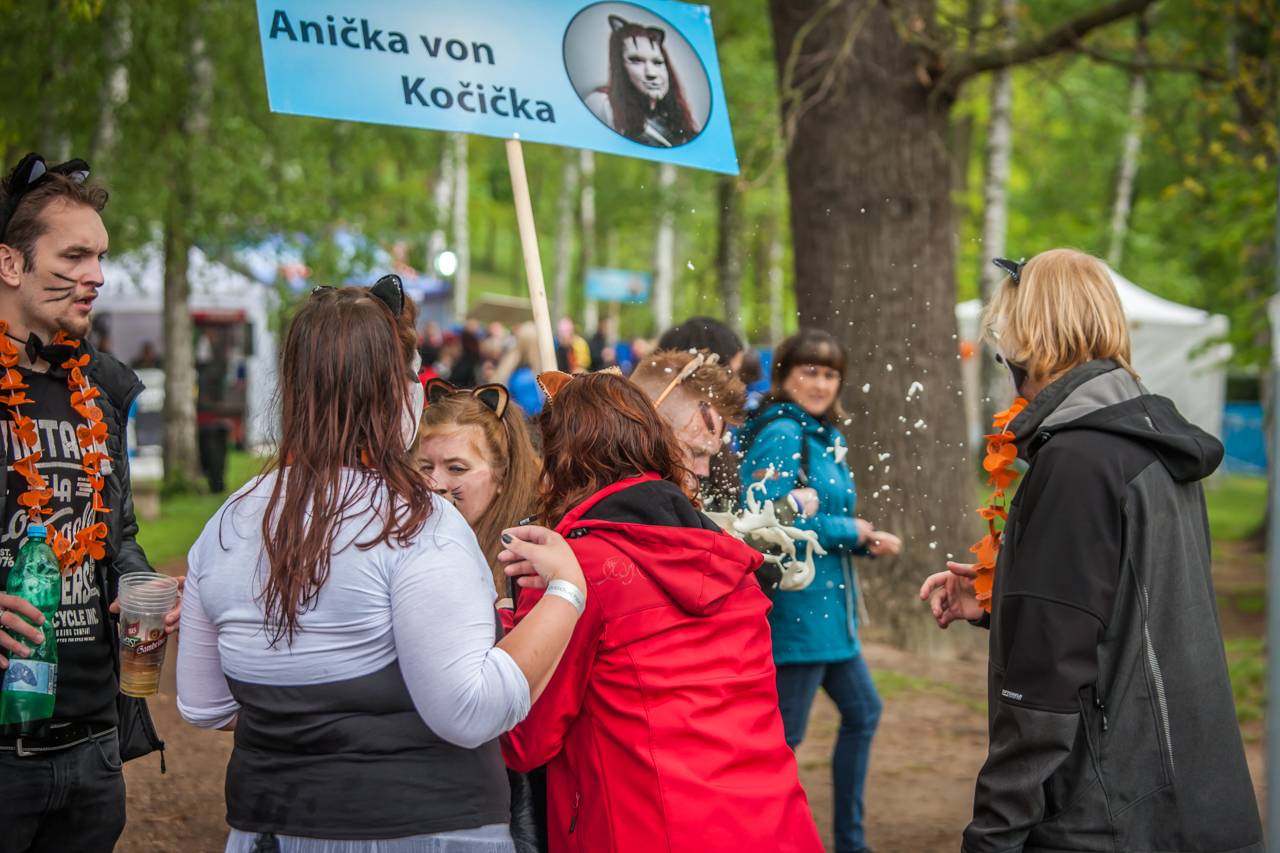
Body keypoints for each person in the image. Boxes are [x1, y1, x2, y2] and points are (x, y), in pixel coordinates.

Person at [176, 285, 588, 852]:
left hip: (269, 827)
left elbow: (205, 704)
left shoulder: (228, 523)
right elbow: (471, 711)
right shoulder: (419, 523)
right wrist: (567, 591)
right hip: (421, 830)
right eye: (413, 376)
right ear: (395, 392)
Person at [919, 250, 1263, 853]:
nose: (1006, 360)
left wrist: (993, 835)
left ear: (1031, 340)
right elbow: (1129, 603)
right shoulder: (1149, 442)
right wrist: (1005, 600)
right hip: (1185, 799)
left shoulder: (1079, 461)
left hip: (1107, 818)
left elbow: (1046, 685)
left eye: (1005, 341)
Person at [501, 370, 823, 853]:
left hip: (649, 829)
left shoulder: (572, 571)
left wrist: (504, 623)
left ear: (558, 460)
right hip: (773, 825)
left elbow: (526, 737)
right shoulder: (731, 560)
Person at [0, 152, 173, 852]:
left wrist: (139, 582)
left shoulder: (100, 387)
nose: (96, 275)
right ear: (10, 264)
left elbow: (116, 532)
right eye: (74, 256)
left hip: (93, 742)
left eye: (99, 256)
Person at [737, 328, 901, 853]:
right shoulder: (784, 432)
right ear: (784, 375)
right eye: (809, 371)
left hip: (833, 620)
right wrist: (849, 530)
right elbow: (761, 518)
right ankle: (755, 839)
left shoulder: (823, 435)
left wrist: (863, 541)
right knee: (782, 742)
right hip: (799, 616)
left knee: (863, 713)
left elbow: (819, 520)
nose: (821, 383)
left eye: (830, 374)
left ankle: (851, 843)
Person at [418, 380, 540, 595]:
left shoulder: (530, 566)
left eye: (456, 468)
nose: (433, 484)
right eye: (426, 467)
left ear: (502, 475)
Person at [584, 15, 701, 148]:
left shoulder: (680, 120)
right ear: (619, 66)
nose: (651, 73)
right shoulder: (601, 105)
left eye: (657, 62)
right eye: (636, 60)